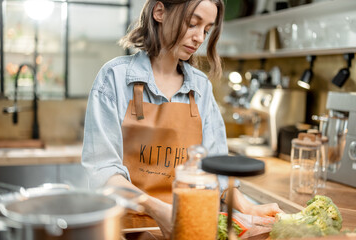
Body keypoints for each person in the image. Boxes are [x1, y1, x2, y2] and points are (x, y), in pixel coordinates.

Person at [82, 0, 283, 238]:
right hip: (126, 229)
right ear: (159, 12)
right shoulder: (113, 78)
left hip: (190, 227)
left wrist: (247, 208)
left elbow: (216, 169)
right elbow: (103, 173)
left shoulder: (201, 87)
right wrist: (156, 209)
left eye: (206, 30)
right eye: (192, 24)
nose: (199, 38)